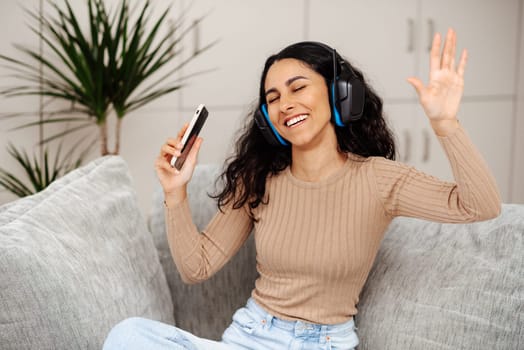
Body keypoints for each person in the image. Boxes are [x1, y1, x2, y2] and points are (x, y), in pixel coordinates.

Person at [103, 28, 501, 350]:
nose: (284, 105)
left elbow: (480, 206)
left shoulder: (379, 179)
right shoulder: (259, 180)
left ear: (339, 94)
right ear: (266, 119)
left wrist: (446, 125)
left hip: (325, 342)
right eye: (272, 98)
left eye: (298, 88)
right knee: (128, 336)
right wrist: (175, 193)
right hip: (250, 337)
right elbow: (196, 267)